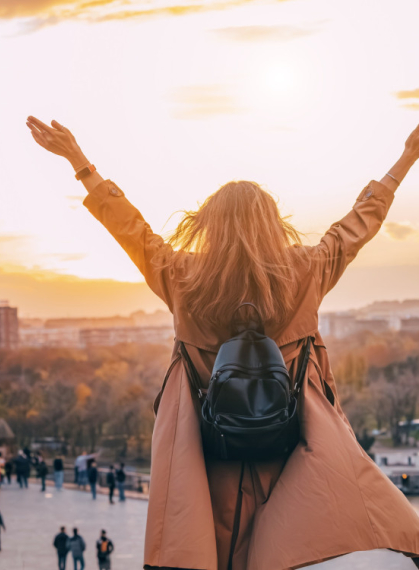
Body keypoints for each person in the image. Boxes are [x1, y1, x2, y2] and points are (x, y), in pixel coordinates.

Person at [25, 116, 419, 568]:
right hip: (293, 439)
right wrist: (407, 156)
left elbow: (130, 230)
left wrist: (80, 162)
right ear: (273, 224)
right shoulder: (308, 270)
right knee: (291, 537)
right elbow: (358, 224)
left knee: (213, 543)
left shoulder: (181, 276)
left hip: (210, 446)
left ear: (208, 226)